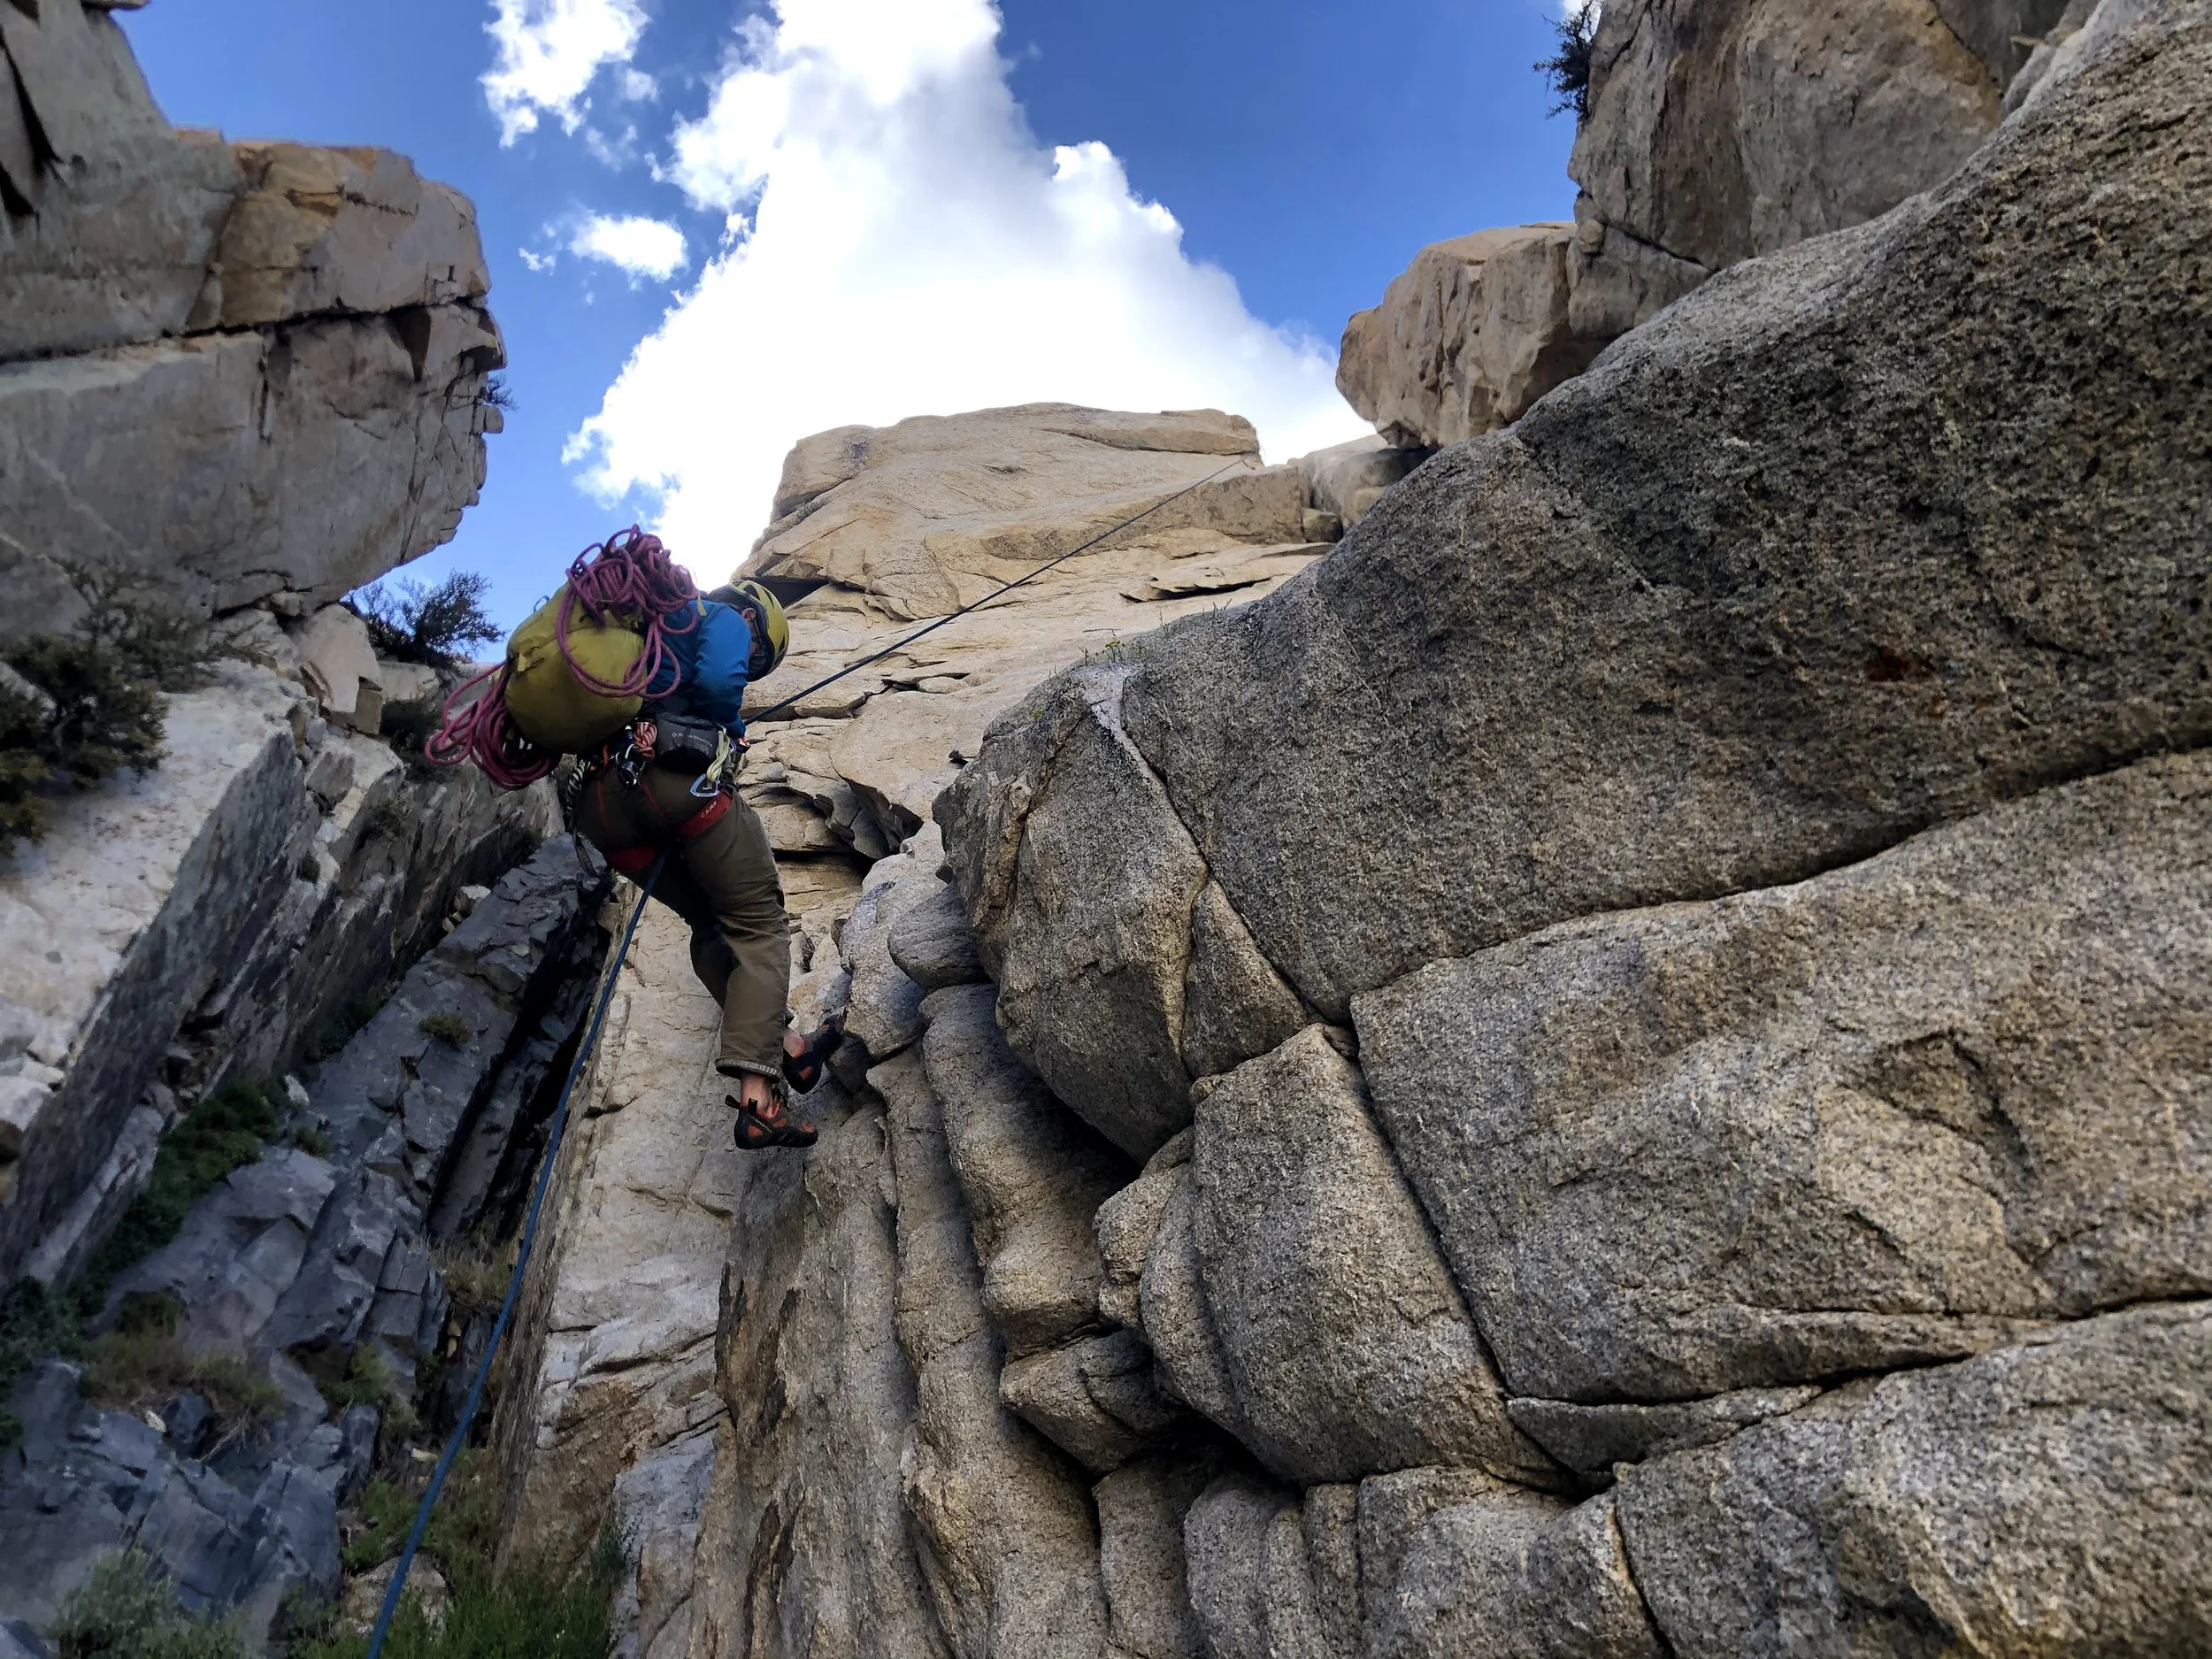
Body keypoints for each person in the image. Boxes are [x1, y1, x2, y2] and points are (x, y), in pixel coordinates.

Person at [567, 578, 839, 1149]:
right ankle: (759, 1104)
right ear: (752, 614)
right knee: (758, 924)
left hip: (600, 812)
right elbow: (718, 681)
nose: (752, 658)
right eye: (758, 652)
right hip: (669, 785)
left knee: (711, 924)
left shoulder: (650, 638)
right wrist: (730, 730)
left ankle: (790, 1049)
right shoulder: (720, 615)